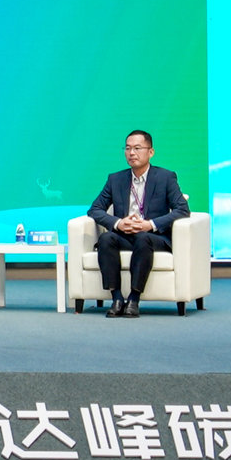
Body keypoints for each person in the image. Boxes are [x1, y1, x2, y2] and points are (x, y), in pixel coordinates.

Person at [87, 129, 190, 318]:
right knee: (106, 239)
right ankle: (117, 298)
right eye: (127, 148)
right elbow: (95, 209)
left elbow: (182, 210)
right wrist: (118, 223)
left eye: (137, 148)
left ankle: (134, 299)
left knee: (143, 238)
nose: (131, 153)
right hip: (125, 235)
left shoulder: (166, 177)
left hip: (154, 237)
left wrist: (150, 224)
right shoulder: (116, 179)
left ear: (150, 152)